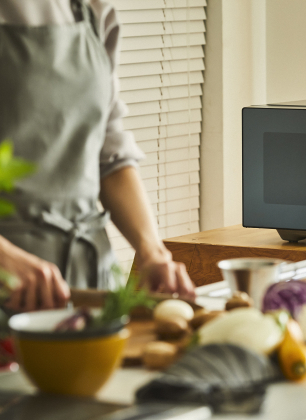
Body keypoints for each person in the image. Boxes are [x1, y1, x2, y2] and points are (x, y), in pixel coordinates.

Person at [0, 0, 195, 313]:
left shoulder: (90, 9)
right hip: (9, 286)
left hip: (90, 285)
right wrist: (4, 259)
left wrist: (151, 250)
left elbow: (107, 149)